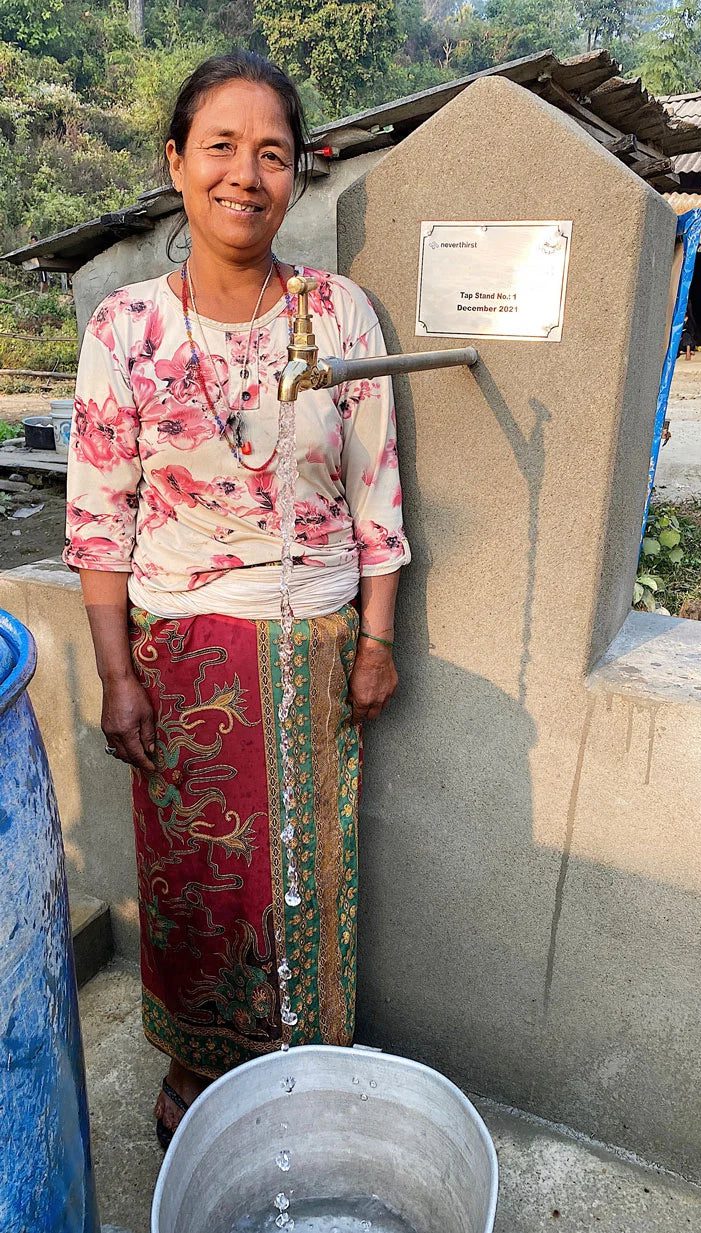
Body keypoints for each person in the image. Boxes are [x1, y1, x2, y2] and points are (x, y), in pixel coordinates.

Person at [64, 50, 410, 1149]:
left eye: (271, 154)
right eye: (220, 146)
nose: (244, 175)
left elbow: (376, 492)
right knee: (196, 885)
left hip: (311, 643)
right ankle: (197, 1078)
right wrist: (117, 673)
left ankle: (303, 1080)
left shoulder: (339, 315)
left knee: (302, 879)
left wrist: (376, 639)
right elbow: (96, 518)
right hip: (179, 656)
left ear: (297, 176)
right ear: (176, 163)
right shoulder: (124, 331)